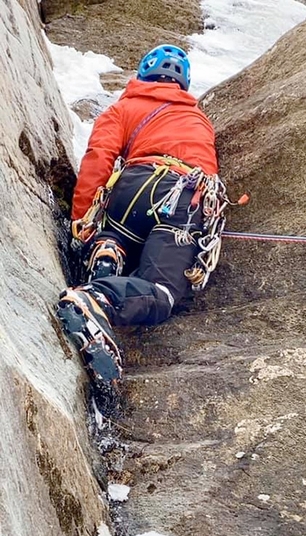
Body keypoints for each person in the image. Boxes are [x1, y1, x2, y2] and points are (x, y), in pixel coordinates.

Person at [57, 44, 233, 385]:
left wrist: (81, 220)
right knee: (161, 291)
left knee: (120, 228)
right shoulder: (197, 118)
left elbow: (98, 157)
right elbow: (207, 174)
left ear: (142, 74)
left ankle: (108, 248)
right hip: (182, 197)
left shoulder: (122, 108)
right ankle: (97, 299)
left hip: (130, 191)